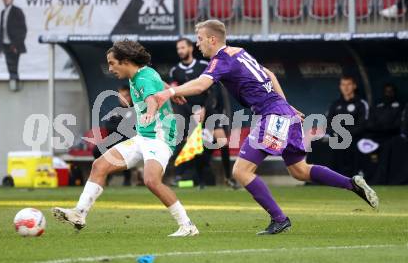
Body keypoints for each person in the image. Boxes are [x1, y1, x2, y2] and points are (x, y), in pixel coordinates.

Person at [154, 19, 379, 235]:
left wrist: (170, 92)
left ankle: (280, 219)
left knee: (241, 171)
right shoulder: (239, 52)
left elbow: (202, 84)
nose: (197, 43)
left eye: (200, 38)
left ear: (213, 39)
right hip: (282, 113)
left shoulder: (221, 59)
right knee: (300, 171)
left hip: (272, 116)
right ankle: (352, 184)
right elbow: (269, 75)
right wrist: (287, 105)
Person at [53, 40, 199, 237]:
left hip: (160, 138)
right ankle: (79, 213)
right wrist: (170, 93)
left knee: (151, 180)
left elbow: (151, 99)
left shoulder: (142, 79)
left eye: (112, 63)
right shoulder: (143, 72)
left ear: (126, 61)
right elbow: (157, 83)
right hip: (143, 137)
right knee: (100, 165)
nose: (110, 68)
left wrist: (150, 112)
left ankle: (188, 225)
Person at [169, 37, 237, 188]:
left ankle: (229, 178)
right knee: (195, 146)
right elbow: (175, 97)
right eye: (178, 49)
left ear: (190, 48)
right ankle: (200, 182)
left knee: (222, 140)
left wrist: (205, 108)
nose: (180, 51)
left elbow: (212, 90)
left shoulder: (203, 65)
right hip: (189, 113)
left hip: (208, 109)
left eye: (182, 47)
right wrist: (190, 114)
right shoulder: (175, 71)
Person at [93, 85, 136, 186]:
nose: (123, 99)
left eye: (125, 96)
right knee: (97, 149)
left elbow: (132, 129)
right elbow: (108, 126)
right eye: (120, 96)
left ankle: (127, 178)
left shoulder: (136, 110)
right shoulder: (116, 110)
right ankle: (105, 174)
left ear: (130, 96)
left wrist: (120, 127)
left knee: (125, 149)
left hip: (130, 141)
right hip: (115, 139)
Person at [326, 76, 369, 177]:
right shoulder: (335, 104)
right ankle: (329, 177)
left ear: (354, 86)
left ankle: (357, 176)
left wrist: (346, 135)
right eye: (343, 85)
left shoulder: (361, 104)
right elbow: (328, 124)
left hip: (355, 139)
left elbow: (363, 125)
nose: (346, 87)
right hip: (338, 139)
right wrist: (336, 134)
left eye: (348, 84)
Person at [0, 0, 27, 81]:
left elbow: (23, 30)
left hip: (14, 45)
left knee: (14, 68)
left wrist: (16, 45)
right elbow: (1, 30)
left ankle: (15, 85)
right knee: (10, 68)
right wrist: (0, 47)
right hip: (5, 44)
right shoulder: (3, 12)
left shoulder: (17, 11)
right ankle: (13, 84)